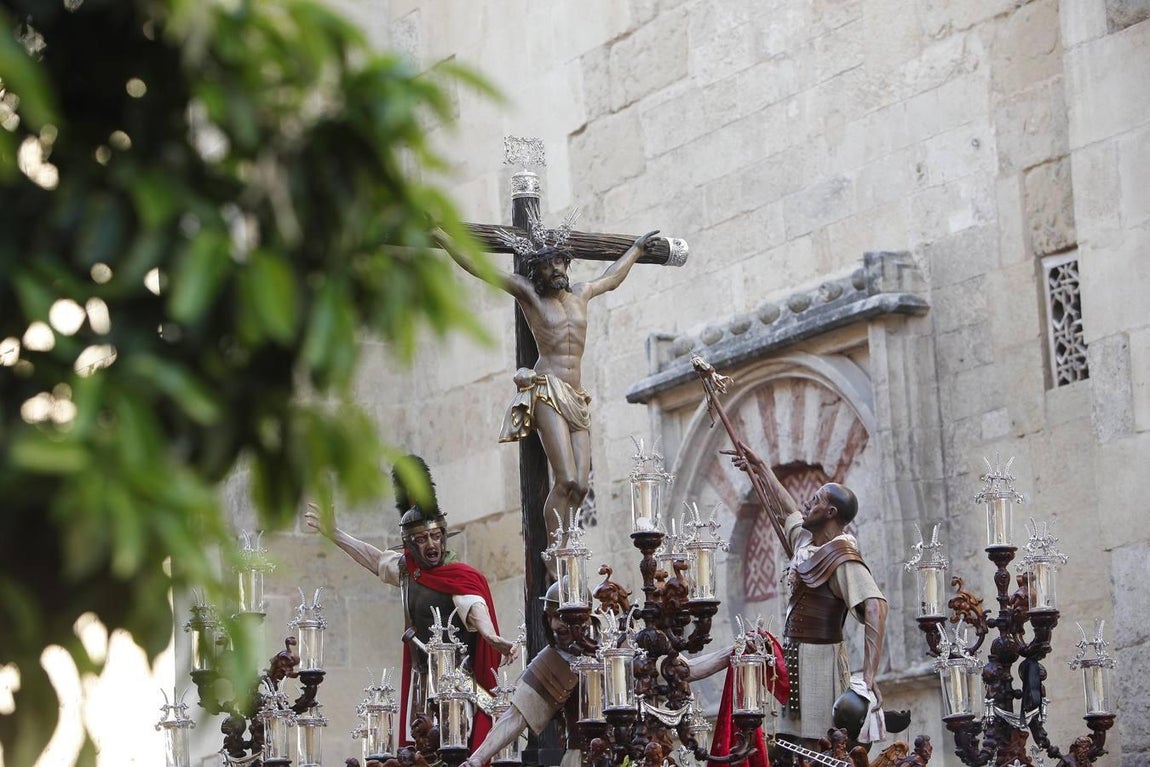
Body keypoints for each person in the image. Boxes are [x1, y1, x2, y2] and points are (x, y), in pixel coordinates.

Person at [439, 225, 660, 546]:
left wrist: (637, 249)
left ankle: (569, 544)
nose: (556, 269)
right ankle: (556, 551)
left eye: (559, 263)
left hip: (576, 395)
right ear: (537, 271)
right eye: (547, 265)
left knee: (582, 486)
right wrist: (445, 237)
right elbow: (481, 268)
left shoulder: (582, 294)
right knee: (566, 478)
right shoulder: (529, 295)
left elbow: (612, 278)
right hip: (547, 389)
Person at [304, 455, 518, 752]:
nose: (431, 544)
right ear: (409, 545)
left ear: (443, 538)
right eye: (422, 539)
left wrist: (491, 636)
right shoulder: (407, 571)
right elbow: (374, 558)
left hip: (458, 689)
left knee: (455, 751)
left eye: (435, 536)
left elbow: (475, 606)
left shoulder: (458, 576)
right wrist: (336, 534)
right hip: (422, 684)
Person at [459, 581, 735, 767]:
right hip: (582, 758)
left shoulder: (617, 644)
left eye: (565, 616)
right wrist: (476, 760)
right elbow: (513, 718)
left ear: (584, 615)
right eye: (554, 616)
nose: (559, 624)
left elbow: (688, 670)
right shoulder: (551, 661)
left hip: (635, 752)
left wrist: (732, 653)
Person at [728, 443, 890, 748]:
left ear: (829, 512)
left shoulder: (843, 556)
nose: (807, 502)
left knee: (820, 746)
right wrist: (761, 466)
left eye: (815, 500)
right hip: (795, 659)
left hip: (822, 663)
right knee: (791, 746)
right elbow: (787, 507)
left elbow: (876, 607)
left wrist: (868, 678)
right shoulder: (805, 539)